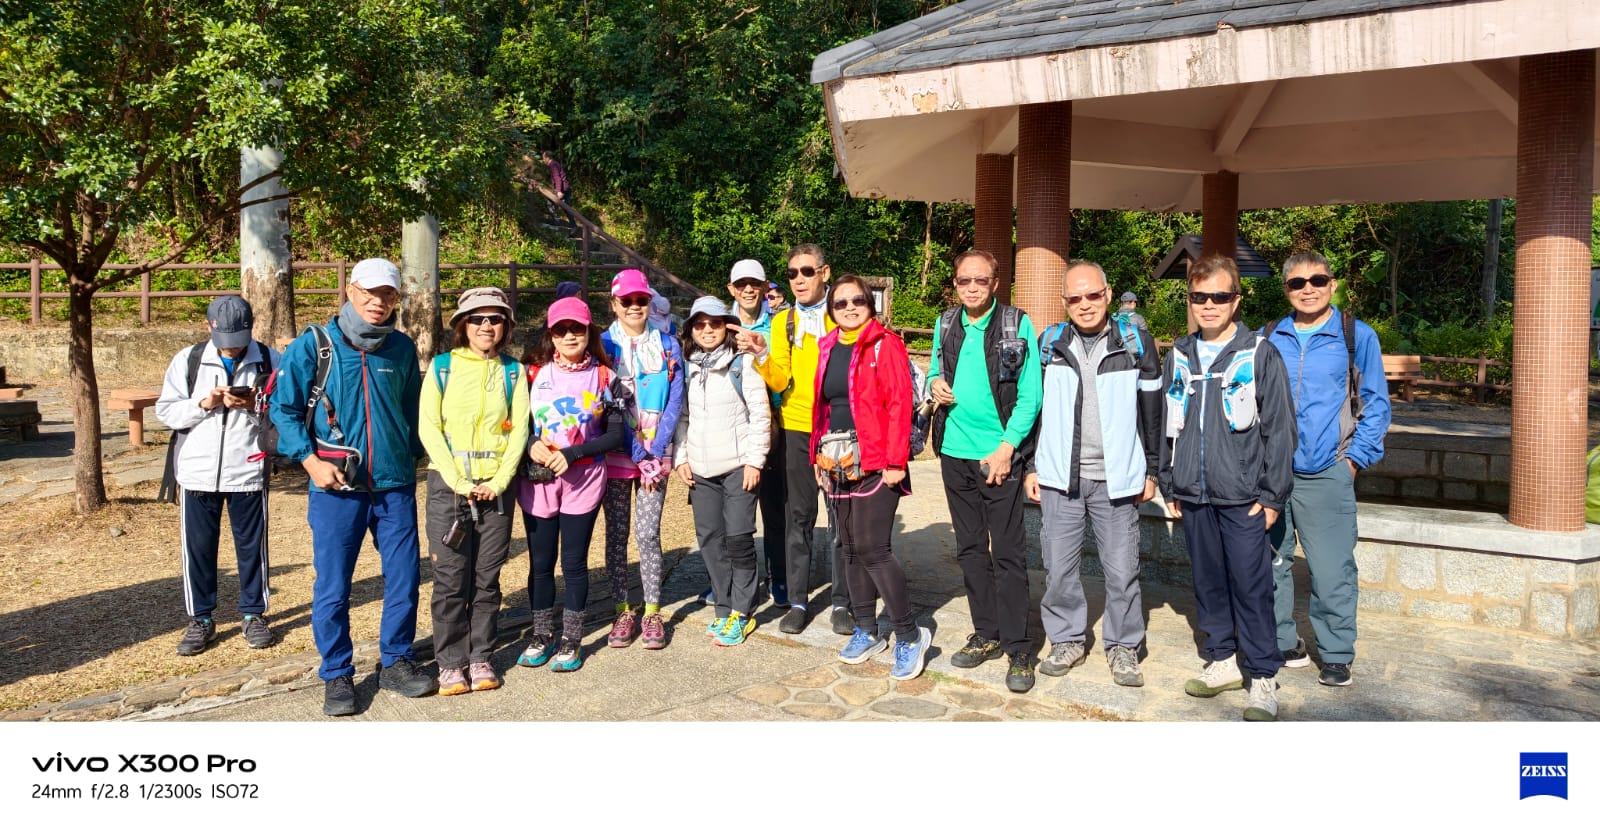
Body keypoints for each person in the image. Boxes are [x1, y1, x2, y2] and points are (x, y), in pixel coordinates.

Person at [271, 257, 434, 716]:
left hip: (394, 485)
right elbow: (283, 409)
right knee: (333, 585)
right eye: (369, 292)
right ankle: (337, 673)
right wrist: (309, 461)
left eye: (388, 294)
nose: (377, 302)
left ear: (397, 299)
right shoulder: (313, 346)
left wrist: (418, 457)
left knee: (404, 577)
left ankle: (396, 661)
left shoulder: (401, 348)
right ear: (350, 291)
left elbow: (412, 412)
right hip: (335, 487)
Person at [1159, 254, 1296, 721]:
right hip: (1193, 492)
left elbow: (1280, 428)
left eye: (1219, 296)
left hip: (1244, 496)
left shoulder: (1259, 353)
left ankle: (1262, 673)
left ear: (1236, 300)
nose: (1209, 305)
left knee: (1252, 586)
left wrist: (1272, 495)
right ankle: (1221, 659)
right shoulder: (1178, 354)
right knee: (1208, 581)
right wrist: (1169, 482)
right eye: (1199, 296)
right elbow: (1166, 424)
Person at [1025, 261, 1162, 687]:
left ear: (1109, 294)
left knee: (1121, 571)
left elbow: (1153, 412)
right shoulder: (1050, 344)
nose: (1085, 304)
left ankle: (1123, 646)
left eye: (1093, 295)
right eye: (1075, 298)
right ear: (1064, 302)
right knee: (1059, 568)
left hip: (1117, 478)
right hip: (1059, 476)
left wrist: (1153, 469)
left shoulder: (1134, 343)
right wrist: (1031, 465)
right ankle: (1066, 639)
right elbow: (1034, 410)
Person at [1264, 251, 1390, 688]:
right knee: (1272, 562)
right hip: (1273, 471)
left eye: (1317, 280)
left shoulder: (1356, 336)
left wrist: (1353, 462)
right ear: (1286, 290)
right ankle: (1282, 641)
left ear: (1332, 284)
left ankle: (1336, 653)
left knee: (1332, 569)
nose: (1308, 289)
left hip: (1328, 470)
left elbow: (1375, 404)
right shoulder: (1269, 336)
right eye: (1297, 283)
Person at [926, 249, 1043, 693]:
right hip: (954, 452)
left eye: (981, 280)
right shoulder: (945, 324)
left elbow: (1031, 395)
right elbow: (935, 370)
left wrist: (1007, 448)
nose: (972, 288)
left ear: (996, 283)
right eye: (964, 281)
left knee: (1009, 553)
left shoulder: (1016, 324)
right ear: (955, 284)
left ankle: (1019, 647)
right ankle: (986, 633)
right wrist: (935, 382)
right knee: (971, 549)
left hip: (998, 457)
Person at [812, 275, 930, 679]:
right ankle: (866, 629)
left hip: (878, 460)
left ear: (870, 303)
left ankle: (910, 635)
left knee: (873, 548)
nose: (849, 307)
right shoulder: (828, 346)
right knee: (847, 546)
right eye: (840, 302)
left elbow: (900, 403)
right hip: (837, 460)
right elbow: (822, 408)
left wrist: (896, 460)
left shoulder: (885, 344)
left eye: (857, 300)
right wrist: (816, 455)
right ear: (831, 309)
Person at [418, 287, 530, 695]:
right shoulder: (443, 367)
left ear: (506, 326)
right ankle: (450, 662)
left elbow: (520, 430)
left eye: (495, 319)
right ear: (463, 325)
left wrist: (498, 482)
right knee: (450, 580)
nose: (487, 325)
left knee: (487, 579)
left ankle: (481, 655)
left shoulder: (513, 372)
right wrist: (461, 482)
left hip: (497, 488)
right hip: (449, 488)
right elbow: (429, 428)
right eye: (478, 318)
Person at [155, 296, 278, 656]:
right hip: (197, 473)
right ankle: (201, 618)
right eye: (225, 339)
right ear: (209, 327)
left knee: (252, 549)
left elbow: (286, 411)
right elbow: (166, 411)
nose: (233, 346)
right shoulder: (189, 359)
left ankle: (253, 614)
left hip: (248, 470)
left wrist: (254, 404)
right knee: (198, 550)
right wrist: (204, 404)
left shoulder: (270, 360)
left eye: (239, 338)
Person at [515, 297, 628, 672]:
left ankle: (571, 639)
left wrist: (575, 453)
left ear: (588, 331)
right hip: (540, 482)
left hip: (583, 480)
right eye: (561, 329)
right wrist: (531, 443)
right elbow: (517, 424)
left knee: (574, 563)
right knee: (541, 562)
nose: (569, 335)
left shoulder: (606, 377)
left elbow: (615, 435)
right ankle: (541, 634)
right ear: (551, 334)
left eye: (576, 328)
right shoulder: (533, 374)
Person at [749, 243, 851, 636]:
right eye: (792, 273)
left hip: (838, 428)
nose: (799, 279)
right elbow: (780, 381)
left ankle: (842, 602)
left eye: (807, 271)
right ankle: (797, 601)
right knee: (798, 518)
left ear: (825, 273)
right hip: (795, 426)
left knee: (841, 519)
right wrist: (762, 356)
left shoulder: (842, 313)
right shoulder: (784, 321)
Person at [675, 296, 771, 645]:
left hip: (737, 466)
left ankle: (742, 611)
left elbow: (760, 414)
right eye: (699, 324)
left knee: (739, 538)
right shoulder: (687, 366)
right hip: (701, 470)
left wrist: (754, 461)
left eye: (715, 323)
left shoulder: (742, 363)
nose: (707, 330)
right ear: (691, 330)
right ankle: (724, 606)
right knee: (710, 541)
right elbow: (683, 417)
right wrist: (681, 457)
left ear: (727, 326)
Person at [600, 269, 685, 649]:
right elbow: (603, 401)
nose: (634, 306)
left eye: (641, 300)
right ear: (614, 304)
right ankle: (622, 609)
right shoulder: (602, 345)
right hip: (617, 452)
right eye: (627, 301)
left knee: (648, 534)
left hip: (656, 454)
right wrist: (636, 451)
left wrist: (656, 448)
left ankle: (652, 610)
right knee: (616, 535)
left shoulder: (668, 344)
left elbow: (676, 398)